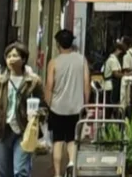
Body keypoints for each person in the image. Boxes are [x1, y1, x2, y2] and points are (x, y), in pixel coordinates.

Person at [0, 42, 45, 177]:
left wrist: (37, 114)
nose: (11, 59)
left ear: (23, 59)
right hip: (1, 130)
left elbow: (44, 107)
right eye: (8, 56)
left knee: (21, 171)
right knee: (3, 171)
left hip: (24, 130)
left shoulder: (33, 82)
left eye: (15, 56)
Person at [46, 29, 89, 177]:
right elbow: (86, 84)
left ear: (58, 44)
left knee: (57, 140)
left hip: (57, 107)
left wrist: (48, 104)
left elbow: (49, 86)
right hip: (76, 107)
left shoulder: (54, 62)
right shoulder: (81, 60)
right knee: (72, 138)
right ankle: (71, 164)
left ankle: (58, 174)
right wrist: (86, 104)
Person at [102, 40, 125, 106]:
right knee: (110, 105)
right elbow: (116, 74)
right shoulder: (113, 60)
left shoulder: (113, 59)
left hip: (111, 85)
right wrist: (125, 75)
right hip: (110, 86)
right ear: (117, 50)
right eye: (121, 51)